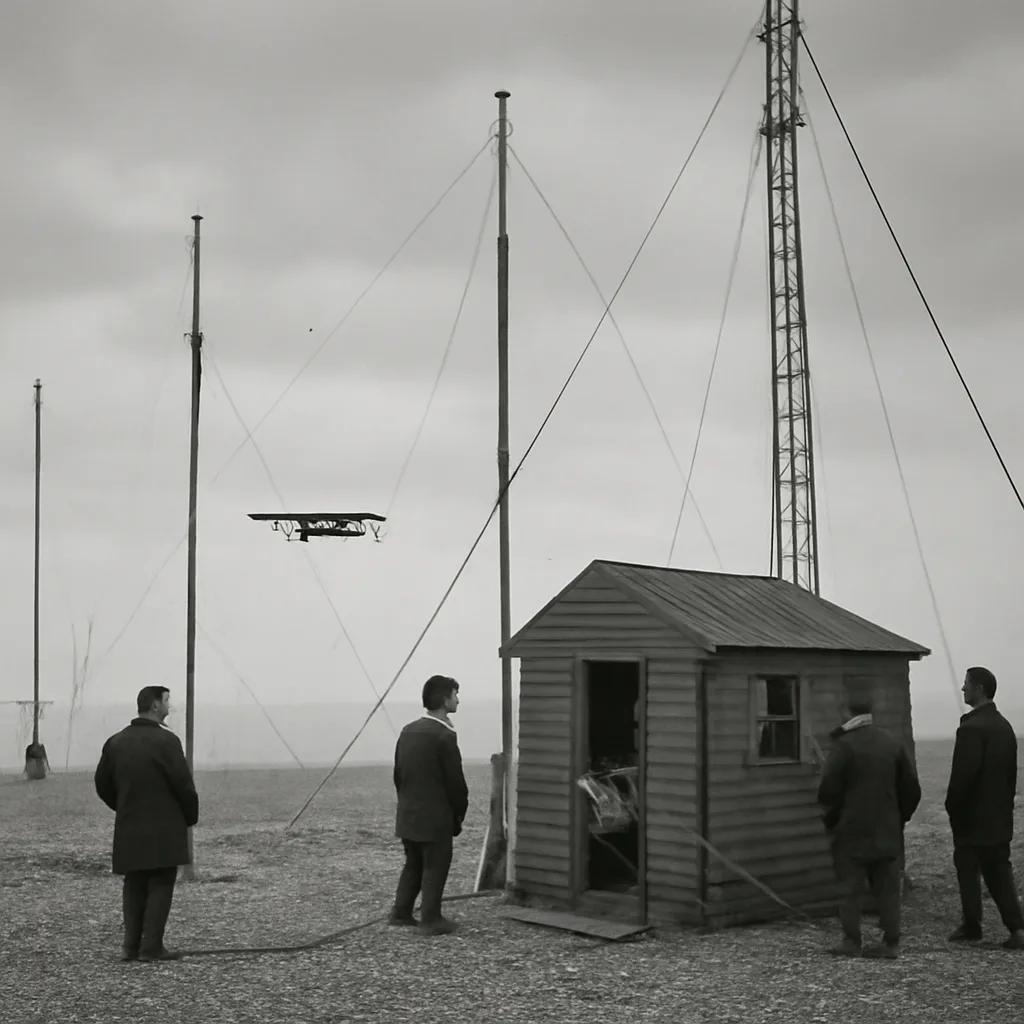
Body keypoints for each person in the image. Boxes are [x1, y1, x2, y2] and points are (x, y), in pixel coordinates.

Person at [94, 686, 199, 962]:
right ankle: (151, 947)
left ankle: (130, 947)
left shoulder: (115, 742)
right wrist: (190, 816)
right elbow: (183, 784)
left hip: (130, 824)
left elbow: (102, 783)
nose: (169, 706)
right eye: (166, 701)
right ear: (154, 705)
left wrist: (122, 805)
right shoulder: (167, 742)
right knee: (162, 880)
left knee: (135, 881)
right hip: (165, 826)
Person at [817, 693, 922, 959]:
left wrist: (833, 819)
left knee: (850, 887)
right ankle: (891, 942)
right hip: (887, 828)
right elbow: (911, 788)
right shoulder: (891, 743)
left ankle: (852, 941)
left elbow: (828, 790)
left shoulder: (844, 745)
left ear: (846, 709)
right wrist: (899, 817)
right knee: (887, 888)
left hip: (851, 830)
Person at [944, 666, 1024, 950]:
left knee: (967, 869)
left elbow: (963, 777)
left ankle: (972, 925)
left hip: (971, 818)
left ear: (978, 689)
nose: (963, 689)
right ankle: (1017, 928)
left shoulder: (971, 729)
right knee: (999, 871)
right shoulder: (1004, 727)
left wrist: (952, 807)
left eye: (966, 685)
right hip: (999, 816)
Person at [389, 674, 469, 936]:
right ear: (445, 699)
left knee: (413, 863)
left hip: (409, 814)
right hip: (436, 817)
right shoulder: (444, 736)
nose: (457, 699)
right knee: (436, 864)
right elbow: (455, 782)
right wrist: (458, 813)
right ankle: (431, 919)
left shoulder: (408, 730)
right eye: (455, 694)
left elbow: (398, 774)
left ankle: (401, 913)